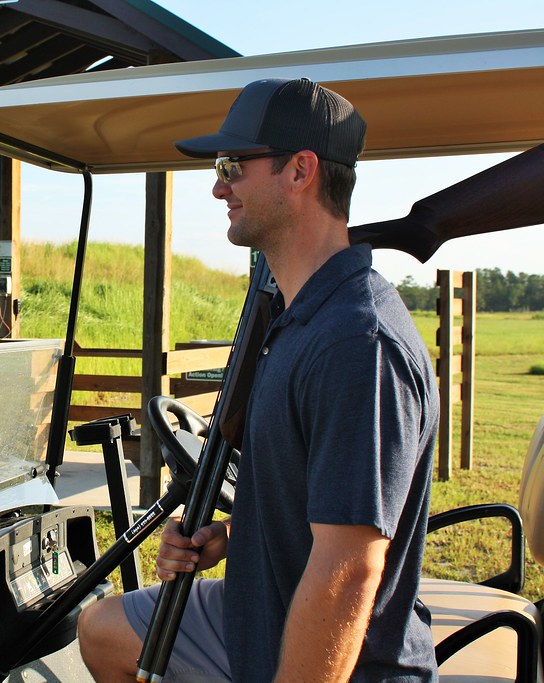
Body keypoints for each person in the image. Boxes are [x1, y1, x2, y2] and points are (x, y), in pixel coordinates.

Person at [78, 78, 440, 681]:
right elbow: (311, 493)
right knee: (102, 629)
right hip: (261, 605)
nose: (218, 187)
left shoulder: (356, 343)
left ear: (300, 171)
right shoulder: (297, 314)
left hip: (340, 657)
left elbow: (348, 573)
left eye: (233, 167)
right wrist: (232, 536)